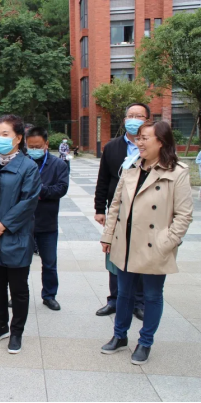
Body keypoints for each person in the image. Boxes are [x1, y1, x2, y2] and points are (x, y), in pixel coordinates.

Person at [100, 121, 193, 365]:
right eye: (138, 138)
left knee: (151, 295)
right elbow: (116, 205)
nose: (139, 142)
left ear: (161, 142)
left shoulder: (177, 172)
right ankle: (119, 336)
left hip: (154, 246)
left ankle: (145, 342)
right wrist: (108, 236)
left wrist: (166, 243)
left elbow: (184, 215)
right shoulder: (130, 167)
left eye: (145, 138)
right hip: (125, 243)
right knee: (124, 294)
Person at [0, 115, 41, 355]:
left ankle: (17, 332)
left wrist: (2, 225)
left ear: (18, 138)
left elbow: (28, 202)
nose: (0, 138)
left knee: (19, 289)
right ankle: (1, 325)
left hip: (15, 237)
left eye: (5, 134)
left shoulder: (29, 167)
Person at [94, 103, 150, 320]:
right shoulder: (112, 147)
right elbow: (103, 179)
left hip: (144, 212)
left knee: (140, 255)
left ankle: (139, 301)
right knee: (114, 255)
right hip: (118, 211)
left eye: (139, 116)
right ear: (125, 119)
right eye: (130, 115)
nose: (134, 119)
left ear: (147, 120)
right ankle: (114, 299)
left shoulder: (154, 147)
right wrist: (100, 208)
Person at [26, 127, 69, 311]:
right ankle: (19, 294)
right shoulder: (21, 162)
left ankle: (49, 295)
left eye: (38, 146)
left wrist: (40, 190)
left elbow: (61, 188)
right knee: (20, 263)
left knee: (49, 263)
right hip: (23, 222)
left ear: (46, 144)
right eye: (31, 146)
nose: (34, 149)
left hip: (47, 222)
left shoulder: (58, 165)